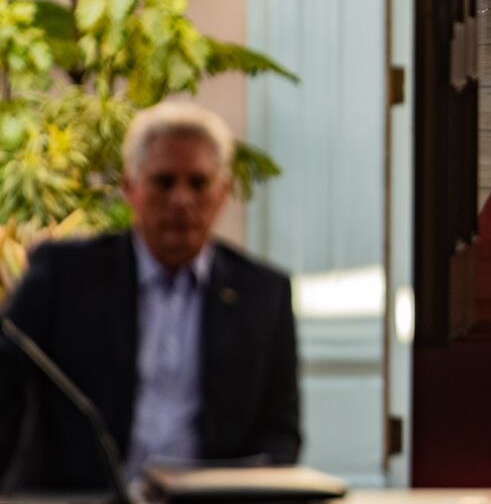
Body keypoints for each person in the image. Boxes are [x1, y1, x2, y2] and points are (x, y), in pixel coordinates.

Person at [0, 101, 301, 489]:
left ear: (223, 192)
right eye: (163, 181)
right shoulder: (64, 275)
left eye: (198, 183)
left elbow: (281, 434)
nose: (181, 200)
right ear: (130, 187)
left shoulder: (264, 295)